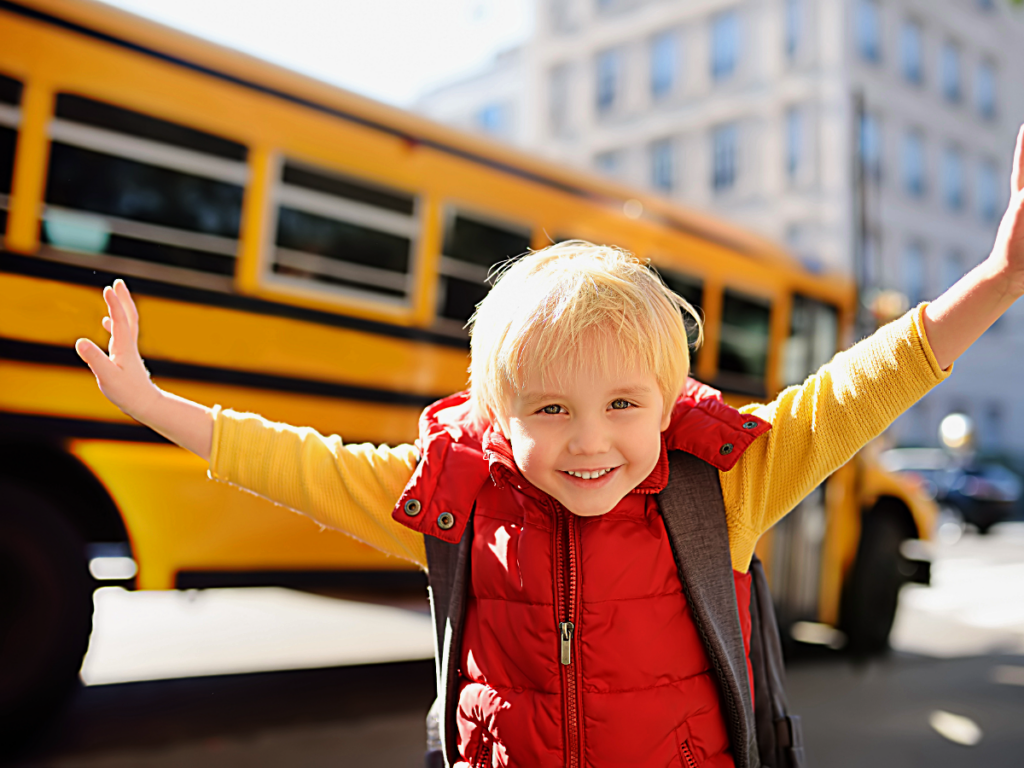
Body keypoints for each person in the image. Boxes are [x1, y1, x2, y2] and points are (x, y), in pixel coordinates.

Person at [75, 126, 1024, 768]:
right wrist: (158, 407)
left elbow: (861, 387)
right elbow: (301, 463)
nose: (591, 442)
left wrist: (994, 278)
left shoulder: (721, 487)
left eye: (621, 402)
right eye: (551, 410)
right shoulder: (457, 495)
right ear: (496, 412)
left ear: (668, 404)